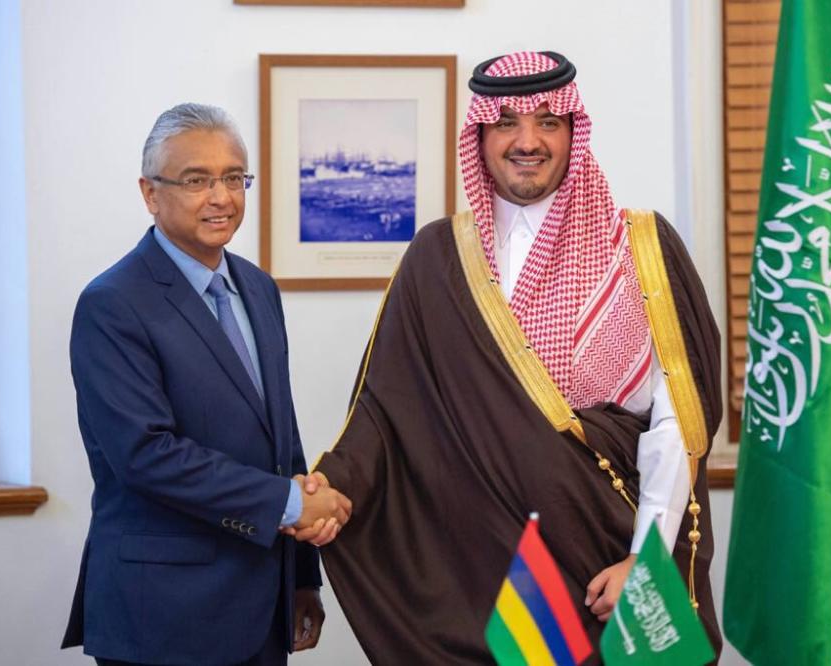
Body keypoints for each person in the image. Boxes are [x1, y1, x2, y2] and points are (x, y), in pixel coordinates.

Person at [305, 52, 723, 663]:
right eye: (506, 123)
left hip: (612, 552)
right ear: (480, 135)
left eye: (548, 121)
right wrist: (328, 490)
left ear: (573, 131)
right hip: (485, 568)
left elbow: (677, 421)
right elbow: (384, 411)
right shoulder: (437, 257)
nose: (528, 141)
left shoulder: (641, 248)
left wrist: (647, 557)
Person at [62, 103, 351, 666]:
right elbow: (146, 455)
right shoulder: (112, 304)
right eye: (197, 180)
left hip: (262, 606)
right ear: (150, 193)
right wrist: (291, 503)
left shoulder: (258, 289)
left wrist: (301, 578)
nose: (221, 197)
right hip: (164, 616)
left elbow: (282, 440)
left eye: (233, 178)